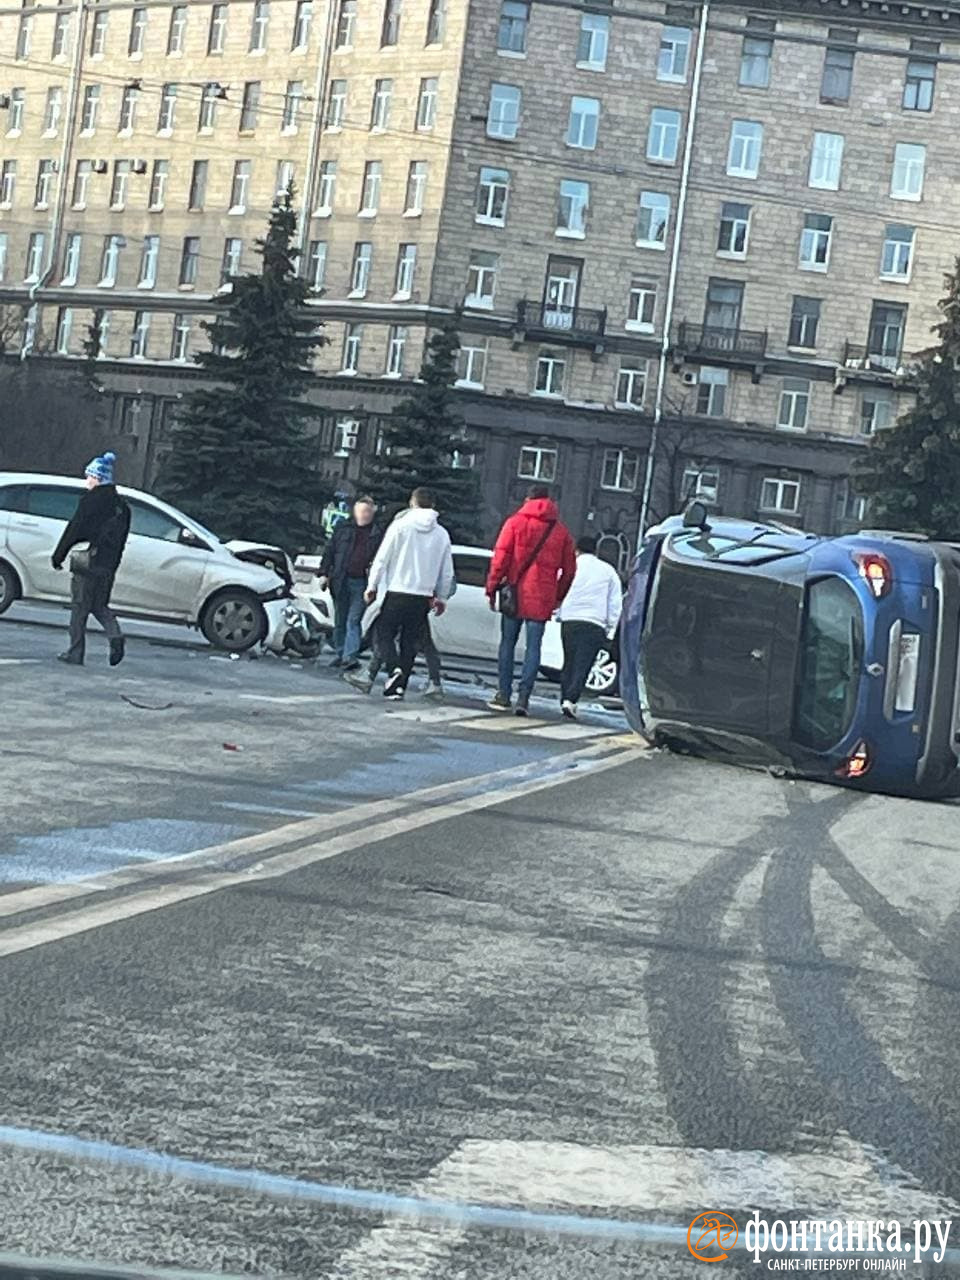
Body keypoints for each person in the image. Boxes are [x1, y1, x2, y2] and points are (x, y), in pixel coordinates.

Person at [485, 484, 576, 716]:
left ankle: (503, 694)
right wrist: (558, 596)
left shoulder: (514, 523)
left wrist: (492, 587)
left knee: (508, 644)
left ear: (528, 499)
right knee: (533, 647)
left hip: (514, 594)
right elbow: (569, 570)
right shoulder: (561, 532)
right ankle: (524, 698)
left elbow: (500, 558)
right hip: (543, 596)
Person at [361, 487, 455, 701]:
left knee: (384, 633)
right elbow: (446, 571)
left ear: (412, 503)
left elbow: (382, 558)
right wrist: (441, 597)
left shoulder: (400, 526)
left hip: (398, 590)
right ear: (433, 506)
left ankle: (394, 670)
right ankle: (399, 688)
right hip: (422, 596)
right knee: (409, 642)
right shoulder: (441, 534)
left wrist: (372, 586)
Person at [51, 451, 131, 668]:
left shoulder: (90, 501)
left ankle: (75, 653)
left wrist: (59, 555)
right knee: (100, 605)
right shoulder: (122, 507)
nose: (87, 481)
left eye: (90, 476)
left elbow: (75, 529)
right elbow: (121, 541)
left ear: (98, 478)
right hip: (108, 565)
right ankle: (115, 635)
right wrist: (112, 564)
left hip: (88, 563)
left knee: (79, 608)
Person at [556, 535, 623, 719]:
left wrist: (559, 613)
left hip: (570, 619)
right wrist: (611, 627)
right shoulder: (608, 571)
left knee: (568, 661)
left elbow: (561, 589)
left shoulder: (571, 567)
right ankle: (571, 699)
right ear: (596, 550)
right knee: (583, 664)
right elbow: (615, 603)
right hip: (594, 623)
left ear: (577, 550)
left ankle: (564, 697)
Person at [318, 495, 381, 670]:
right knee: (340, 619)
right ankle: (341, 653)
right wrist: (323, 573)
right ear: (355, 512)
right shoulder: (343, 528)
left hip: (362, 582)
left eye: (367, 511)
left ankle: (350, 656)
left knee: (353, 620)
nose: (364, 515)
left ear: (372, 513)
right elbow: (330, 551)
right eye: (361, 511)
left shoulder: (377, 534)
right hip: (340, 580)